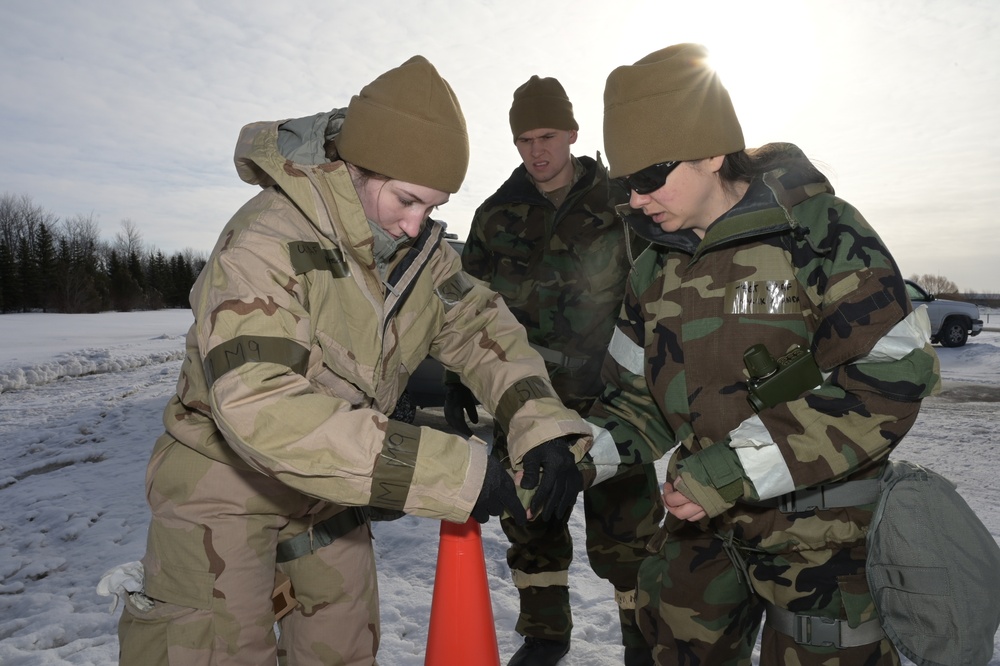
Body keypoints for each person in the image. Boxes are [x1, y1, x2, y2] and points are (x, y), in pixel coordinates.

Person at [113, 55, 594, 666]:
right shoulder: (265, 240)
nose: (420, 224)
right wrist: (454, 473)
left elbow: (483, 328)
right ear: (354, 168)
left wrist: (542, 427)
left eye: (434, 205)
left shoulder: (416, 251)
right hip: (224, 485)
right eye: (407, 199)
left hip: (330, 491)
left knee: (341, 651)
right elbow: (259, 405)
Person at [588, 44, 941, 665]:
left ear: (710, 152)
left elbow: (892, 382)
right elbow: (634, 403)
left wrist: (733, 469)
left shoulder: (820, 232)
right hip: (704, 527)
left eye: (648, 179)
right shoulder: (651, 266)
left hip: (822, 535)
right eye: (624, 184)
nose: (637, 200)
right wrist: (575, 455)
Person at [445, 75, 663, 666]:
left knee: (628, 535)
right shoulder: (496, 215)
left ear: (571, 133)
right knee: (532, 523)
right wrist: (457, 377)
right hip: (528, 400)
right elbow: (466, 306)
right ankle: (545, 636)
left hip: (610, 398)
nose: (536, 150)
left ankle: (642, 644)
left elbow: (657, 290)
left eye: (546, 135)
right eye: (523, 139)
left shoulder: (621, 203)